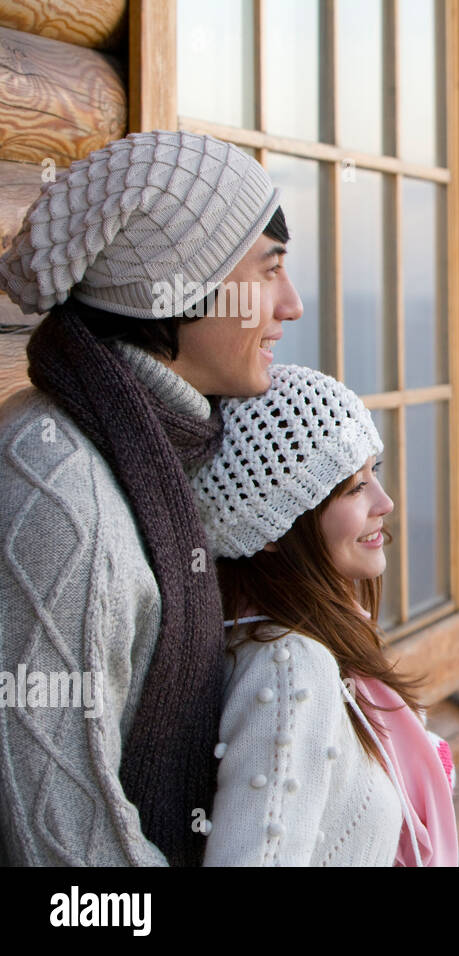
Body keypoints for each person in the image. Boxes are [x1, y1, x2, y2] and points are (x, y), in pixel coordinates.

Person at [0, 130, 302, 866]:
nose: (290, 304)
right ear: (174, 284)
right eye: (268, 271)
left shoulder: (147, 450)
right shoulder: (63, 491)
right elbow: (63, 844)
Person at [189, 363, 458, 866]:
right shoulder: (291, 665)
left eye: (373, 473)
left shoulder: (326, 645)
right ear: (273, 527)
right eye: (353, 488)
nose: (386, 502)